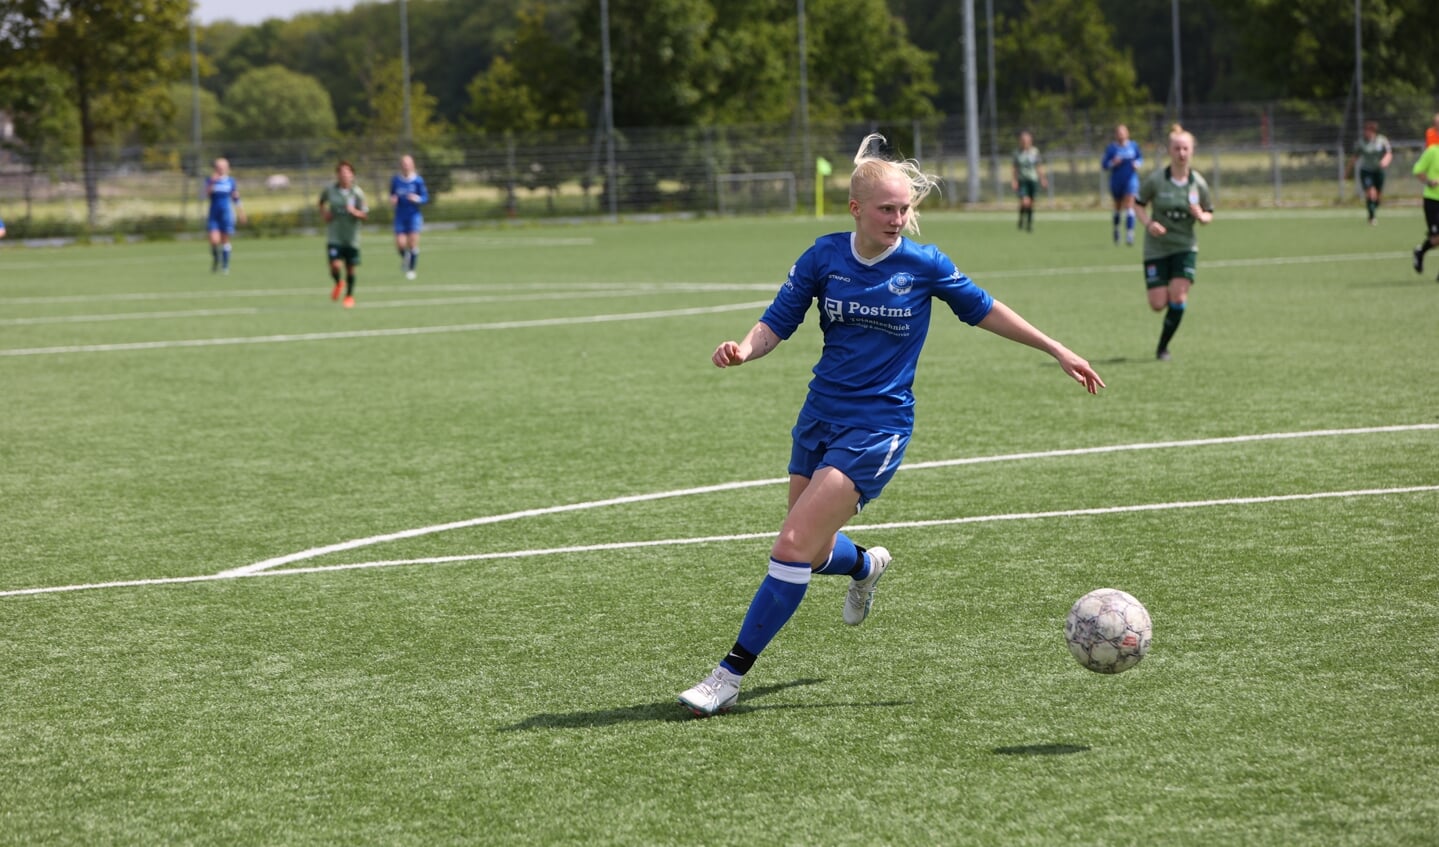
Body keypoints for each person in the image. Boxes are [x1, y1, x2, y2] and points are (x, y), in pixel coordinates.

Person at [677, 134, 1106, 718]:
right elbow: (775, 322)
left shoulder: (923, 264)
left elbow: (985, 309)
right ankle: (867, 564)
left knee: (790, 544)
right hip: (819, 416)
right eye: (887, 209)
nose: (899, 219)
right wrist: (743, 350)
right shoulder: (823, 257)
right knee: (814, 550)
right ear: (855, 209)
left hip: (877, 426)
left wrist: (1056, 348)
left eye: (905, 209)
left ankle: (727, 675)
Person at [1133, 124, 1214, 362]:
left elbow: (1209, 213)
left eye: (1185, 148)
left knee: (1178, 299)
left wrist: (1201, 216)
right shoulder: (1157, 180)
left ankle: (1163, 347)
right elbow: (1138, 204)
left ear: (1192, 151)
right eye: (1177, 148)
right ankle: (1169, 293)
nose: (1181, 153)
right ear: (1169, 150)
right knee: (1158, 304)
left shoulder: (1198, 183)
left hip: (1184, 246)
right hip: (1156, 247)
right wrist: (1149, 224)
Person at [318, 161, 369, 308]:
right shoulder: (330, 190)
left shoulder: (357, 193)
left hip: (351, 237)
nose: (345, 175)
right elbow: (321, 203)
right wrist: (325, 214)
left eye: (347, 172)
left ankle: (349, 296)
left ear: (352, 175)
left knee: (350, 268)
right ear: (337, 175)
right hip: (335, 235)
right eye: (341, 172)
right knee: (335, 266)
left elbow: (365, 215)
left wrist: (355, 212)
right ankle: (338, 282)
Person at [1101, 124, 1144, 245]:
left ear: (1127, 133)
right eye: (1118, 133)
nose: (1121, 135)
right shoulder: (1112, 148)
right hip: (1116, 180)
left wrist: (1137, 163)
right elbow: (1104, 165)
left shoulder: (1133, 146)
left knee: (1130, 205)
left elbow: (1140, 158)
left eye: (1123, 132)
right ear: (1115, 135)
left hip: (1130, 180)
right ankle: (1116, 229)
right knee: (1118, 207)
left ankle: (1130, 234)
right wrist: (1113, 163)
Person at [389, 154, 429, 280]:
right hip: (400, 215)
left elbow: (425, 198)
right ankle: (406, 258)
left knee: (412, 243)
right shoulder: (396, 180)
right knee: (400, 244)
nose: (406, 166)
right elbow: (392, 194)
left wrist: (416, 199)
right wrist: (393, 199)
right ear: (401, 166)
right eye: (403, 164)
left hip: (414, 215)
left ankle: (411, 269)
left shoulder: (418, 181)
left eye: (408, 164)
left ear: (412, 165)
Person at [204, 158, 245, 274]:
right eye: (218, 167)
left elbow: (236, 198)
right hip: (214, 214)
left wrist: (241, 212)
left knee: (225, 240)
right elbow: (206, 194)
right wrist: (212, 182)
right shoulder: (210, 180)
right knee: (214, 240)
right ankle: (216, 258)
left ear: (227, 168)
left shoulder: (231, 181)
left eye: (223, 167)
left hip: (226, 214)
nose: (221, 169)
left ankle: (225, 266)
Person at [1348, 121, 1393, 226]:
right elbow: (1354, 157)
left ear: (1373, 131)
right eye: (1365, 131)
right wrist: (1348, 171)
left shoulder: (1382, 140)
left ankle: (1372, 210)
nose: (1366, 133)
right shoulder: (1361, 142)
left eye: (1368, 131)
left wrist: (1385, 161)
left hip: (1379, 171)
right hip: (1366, 171)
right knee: (1371, 193)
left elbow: (1389, 153)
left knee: (1378, 197)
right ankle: (1372, 217)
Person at [1410, 138, 1439, 280]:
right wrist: (1429, 181)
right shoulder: (1433, 151)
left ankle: (1421, 252)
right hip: (1433, 200)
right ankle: (1420, 252)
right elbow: (1417, 170)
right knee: (1436, 238)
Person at [1011, 131, 1047, 232]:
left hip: (1033, 180)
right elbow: (1015, 168)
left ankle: (1029, 224)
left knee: (1031, 203)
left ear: (1030, 141)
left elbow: (1038, 166)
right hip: (1022, 181)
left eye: (1027, 141)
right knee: (1024, 202)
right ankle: (1021, 219)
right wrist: (1014, 180)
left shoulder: (1035, 152)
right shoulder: (1017, 153)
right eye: (1023, 141)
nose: (1025, 142)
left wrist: (1042, 179)